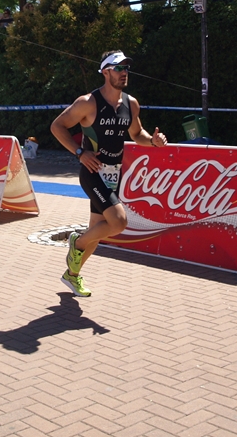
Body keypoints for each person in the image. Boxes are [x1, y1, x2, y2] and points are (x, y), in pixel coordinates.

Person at [50, 50, 168, 297]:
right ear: (105, 72)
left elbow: (137, 134)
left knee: (99, 229)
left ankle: (72, 275)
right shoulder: (88, 102)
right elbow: (57, 126)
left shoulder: (131, 104)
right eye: (118, 68)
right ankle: (76, 243)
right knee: (118, 221)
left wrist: (153, 141)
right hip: (92, 172)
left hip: (114, 174)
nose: (124, 73)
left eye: (126, 68)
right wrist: (80, 152)